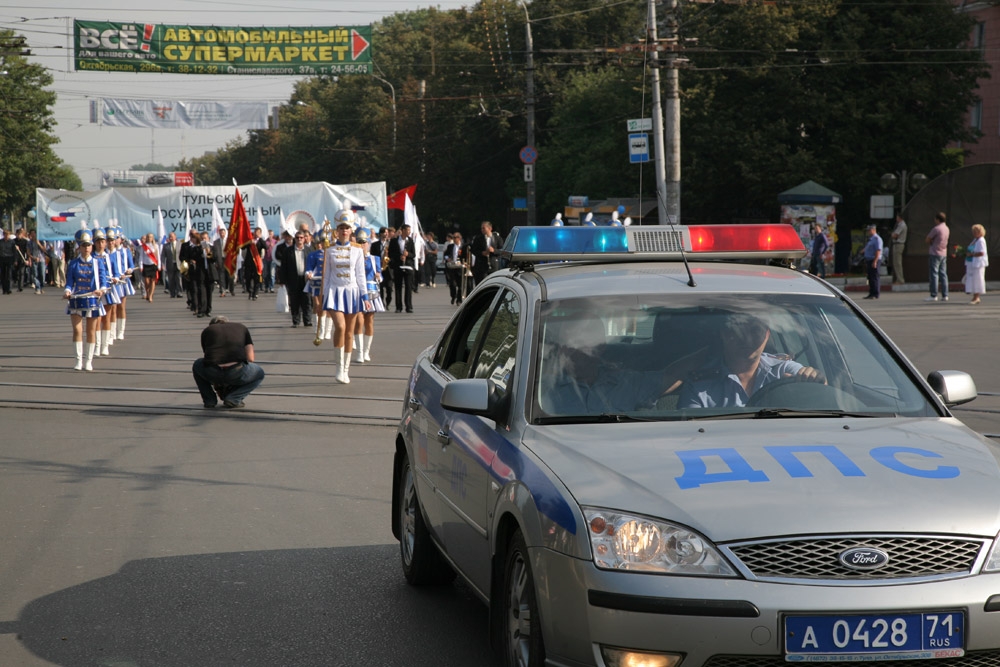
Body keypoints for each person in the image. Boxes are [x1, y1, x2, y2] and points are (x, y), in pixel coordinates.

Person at [678, 313, 825, 409]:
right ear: (724, 334)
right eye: (739, 331)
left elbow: (819, 392)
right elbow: (692, 434)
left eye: (755, 331)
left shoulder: (783, 370)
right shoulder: (699, 386)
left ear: (767, 335)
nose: (747, 339)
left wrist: (815, 380)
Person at [321, 216, 370, 383]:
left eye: (347, 228)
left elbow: (361, 275)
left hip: (352, 293)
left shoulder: (357, 251)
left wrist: (365, 296)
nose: (344, 231)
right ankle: (338, 367)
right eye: (341, 228)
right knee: (340, 327)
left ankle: (345, 370)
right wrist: (324, 295)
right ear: (337, 231)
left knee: (350, 332)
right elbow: (326, 275)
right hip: (335, 292)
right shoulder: (330, 250)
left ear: (351, 231)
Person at [192, 315, 265, 409]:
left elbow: (208, 357)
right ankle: (234, 398)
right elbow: (251, 358)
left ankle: (209, 400)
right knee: (259, 373)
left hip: (212, 370)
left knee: (197, 364)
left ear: (212, 325)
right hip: (236, 370)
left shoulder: (208, 330)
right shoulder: (241, 327)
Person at [63, 230, 108, 371]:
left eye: (88, 245)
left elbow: (103, 281)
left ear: (92, 246)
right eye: (84, 245)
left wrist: (101, 289)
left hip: (92, 299)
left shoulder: (97, 262)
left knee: (91, 331)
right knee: (77, 330)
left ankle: (88, 361)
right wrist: (68, 290)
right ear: (79, 247)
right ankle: (78, 360)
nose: (86, 248)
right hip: (77, 299)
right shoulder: (73, 263)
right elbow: (69, 281)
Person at [352, 228, 384, 363]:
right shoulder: (353, 258)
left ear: (368, 243)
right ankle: (359, 352)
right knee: (359, 321)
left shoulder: (374, 258)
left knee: (369, 321)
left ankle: (366, 351)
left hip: (371, 290)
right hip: (358, 290)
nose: (362, 244)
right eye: (359, 242)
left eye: (364, 242)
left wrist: (379, 277)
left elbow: (380, 275)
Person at [281, 228, 313, 330]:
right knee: (294, 301)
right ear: (294, 239)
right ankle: (296, 321)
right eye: (297, 237)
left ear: (304, 239)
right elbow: (283, 267)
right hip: (293, 280)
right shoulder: (288, 251)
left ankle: (307, 321)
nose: (299, 239)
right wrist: (282, 280)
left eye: (301, 238)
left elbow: (313, 265)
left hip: (306, 280)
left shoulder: (309, 250)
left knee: (307, 300)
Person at [388, 223, 416, 313]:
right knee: (398, 287)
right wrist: (399, 256)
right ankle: (398, 306)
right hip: (398, 266)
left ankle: (409, 306)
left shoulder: (411, 241)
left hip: (408, 266)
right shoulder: (394, 241)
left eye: (409, 230)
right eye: (408, 230)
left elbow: (413, 254)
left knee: (408, 287)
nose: (409, 232)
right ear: (403, 230)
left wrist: (408, 255)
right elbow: (390, 253)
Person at [925, 211, 950, 302]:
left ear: (938, 219)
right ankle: (945, 294)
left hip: (935, 252)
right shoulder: (947, 228)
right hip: (943, 253)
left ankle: (933, 294)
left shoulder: (936, 229)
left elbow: (927, 239)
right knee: (943, 274)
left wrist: (931, 242)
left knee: (934, 274)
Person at [470, 221, 503, 285]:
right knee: (483, 284)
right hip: (482, 266)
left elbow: (502, 251)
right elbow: (473, 250)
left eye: (483, 228)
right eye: (481, 228)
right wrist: (482, 253)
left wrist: (494, 251)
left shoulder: (497, 238)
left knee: (493, 284)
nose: (482, 230)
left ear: (490, 228)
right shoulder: (478, 238)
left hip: (493, 266)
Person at [964, 223, 989, 305]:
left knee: (977, 280)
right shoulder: (975, 240)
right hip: (972, 263)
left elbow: (982, 252)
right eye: (973, 231)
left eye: (976, 231)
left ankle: (976, 297)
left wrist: (972, 254)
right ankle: (974, 296)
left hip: (978, 264)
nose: (974, 233)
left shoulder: (981, 240)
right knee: (973, 279)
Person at [862, 223, 883, 300]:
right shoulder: (871, 239)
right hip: (869, 260)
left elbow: (878, 251)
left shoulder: (877, 239)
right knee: (870, 277)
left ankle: (875, 293)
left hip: (874, 260)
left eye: (869, 230)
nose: (868, 232)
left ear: (874, 230)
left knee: (874, 277)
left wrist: (875, 261)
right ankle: (871, 293)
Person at [444, 232, 465, 305]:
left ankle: (459, 300)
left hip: (459, 267)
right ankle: (453, 296)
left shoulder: (463, 247)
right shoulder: (450, 246)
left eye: (455, 237)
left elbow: (466, 256)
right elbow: (446, 254)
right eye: (453, 237)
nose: (454, 239)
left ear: (459, 238)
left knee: (460, 284)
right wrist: (448, 258)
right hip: (452, 266)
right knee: (452, 283)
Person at [138, 233, 160, 302]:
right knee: (147, 282)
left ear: (152, 238)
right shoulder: (143, 247)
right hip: (146, 265)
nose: (149, 238)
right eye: (148, 237)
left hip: (153, 264)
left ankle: (150, 295)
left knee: (153, 281)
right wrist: (141, 265)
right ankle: (147, 292)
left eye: (150, 237)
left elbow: (158, 256)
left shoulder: (155, 246)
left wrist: (159, 265)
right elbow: (141, 257)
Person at [214, 227, 235, 297]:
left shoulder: (229, 241)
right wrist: (216, 262)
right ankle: (222, 290)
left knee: (230, 276)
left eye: (223, 233)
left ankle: (231, 289)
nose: (222, 234)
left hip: (228, 260)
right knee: (221, 276)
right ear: (219, 233)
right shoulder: (216, 242)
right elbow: (215, 253)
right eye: (221, 233)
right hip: (221, 260)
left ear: (225, 233)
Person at [162, 232, 182, 298]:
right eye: (170, 236)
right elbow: (163, 256)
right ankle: (172, 293)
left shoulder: (180, 244)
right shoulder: (166, 245)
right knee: (171, 279)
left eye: (172, 236)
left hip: (178, 264)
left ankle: (179, 292)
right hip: (170, 264)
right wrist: (163, 264)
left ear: (175, 237)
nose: (171, 238)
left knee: (179, 279)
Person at [28, 230, 47, 294]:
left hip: (41, 259)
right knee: (35, 274)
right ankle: (37, 288)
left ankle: (41, 287)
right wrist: (33, 258)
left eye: (34, 233)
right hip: (34, 259)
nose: (33, 235)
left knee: (42, 274)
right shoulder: (29, 242)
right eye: (32, 233)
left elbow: (44, 250)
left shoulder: (41, 241)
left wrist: (38, 243)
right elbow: (28, 252)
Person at [891, 214, 907, 284]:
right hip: (897, 244)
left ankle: (900, 279)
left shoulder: (901, 225)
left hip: (898, 244)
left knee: (897, 263)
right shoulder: (900, 224)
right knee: (896, 262)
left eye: (897, 217)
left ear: (899, 217)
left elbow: (895, 235)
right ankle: (898, 279)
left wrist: (892, 234)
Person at [0, 228, 14, 294]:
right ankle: (4, 289)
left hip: (9, 258)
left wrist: (15, 260)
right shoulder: (1, 241)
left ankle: (9, 289)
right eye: (5, 234)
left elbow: (14, 251)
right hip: (2, 258)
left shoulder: (12, 242)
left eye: (7, 235)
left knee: (9, 274)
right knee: (3, 275)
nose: (6, 236)